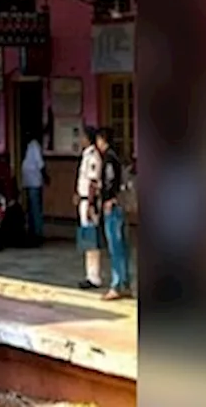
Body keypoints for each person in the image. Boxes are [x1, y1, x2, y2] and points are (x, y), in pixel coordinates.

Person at [96, 128, 131, 300]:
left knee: (115, 246)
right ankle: (125, 283)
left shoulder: (109, 159)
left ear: (103, 140)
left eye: (99, 140)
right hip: (121, 205)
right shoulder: (118, 157)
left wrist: (107, 199)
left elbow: (110, 181)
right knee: (122, 246)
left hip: (113, 207)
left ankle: (116, 285)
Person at [75, 126, 102, 290]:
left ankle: (94, 276)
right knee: (87, 238)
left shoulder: (93, 156)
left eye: (83, 137)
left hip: (89, 202)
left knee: (91, 239)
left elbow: (92, 182)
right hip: (83, 200)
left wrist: (91, 204)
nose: (81, 140)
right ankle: (89, 274)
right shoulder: (85, 155)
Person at [21, 129, 46, 245]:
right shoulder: (28, 146)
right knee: (31, 209)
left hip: (34, 182)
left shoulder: (34, 145)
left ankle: (38, 233)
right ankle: (32, 231)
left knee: (35, 209)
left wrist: (45, 176)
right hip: (29, 181)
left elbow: (40, 163)